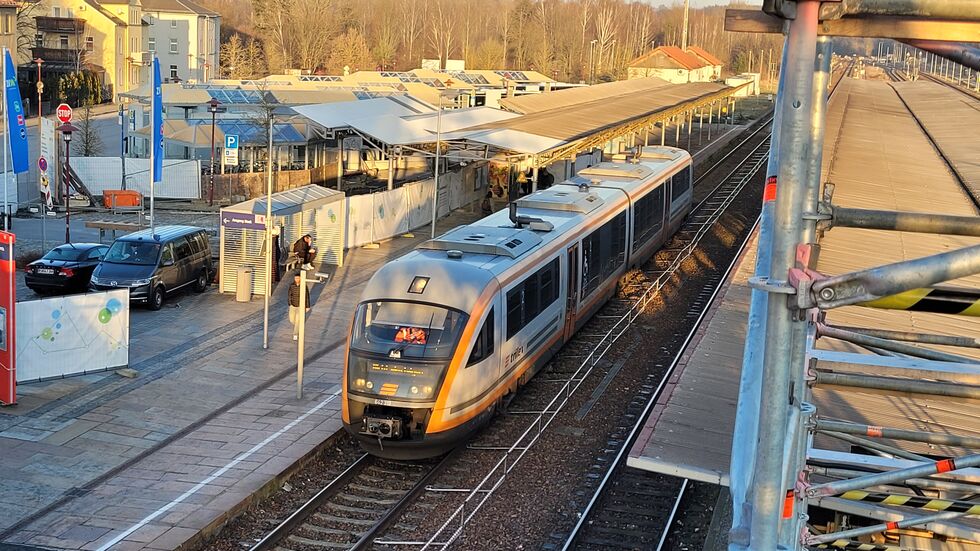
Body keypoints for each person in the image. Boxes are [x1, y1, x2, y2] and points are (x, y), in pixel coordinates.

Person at [288, 272, 311, 341]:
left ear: (300, 278)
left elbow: (307, 296)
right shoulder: (292, 285)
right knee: (292, 319)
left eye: (298, 278)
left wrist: (307, 306)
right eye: (295, 278)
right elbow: (289, 295)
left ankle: (295, 334)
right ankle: (298, 326)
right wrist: (290, 303)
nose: (296, 279)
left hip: (301, 305)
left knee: (298, 320)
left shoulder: (304, 286)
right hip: (293, 305)